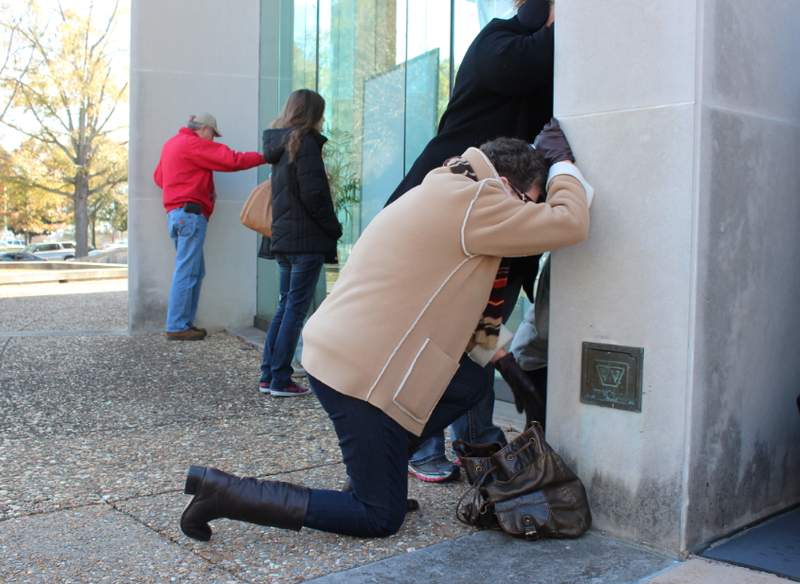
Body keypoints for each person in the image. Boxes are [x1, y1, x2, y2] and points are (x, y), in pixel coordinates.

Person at [179, 125, 594, 541]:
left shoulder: (453, 187)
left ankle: (379, 470)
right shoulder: (477, 200)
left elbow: (454, 307)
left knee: (469, 381)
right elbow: (572, 222)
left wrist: (505, 360)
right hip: (357, 370)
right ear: (506, 184)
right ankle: (222, 493)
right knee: (378, 516)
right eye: (529, 203)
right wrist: (563, 167)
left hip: (351, 350)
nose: (528, 216)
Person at [399, 0, 557, 481]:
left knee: (481, 330)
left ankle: (480, 444)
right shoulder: (499, 40)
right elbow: (523, 62)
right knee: (438, 336)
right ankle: (417, 444)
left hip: (501, 222)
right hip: (449, 219)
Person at [257, 90, 342, 397]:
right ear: (313, 114)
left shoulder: (281, 146)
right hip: (304, 242)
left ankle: (269, 375)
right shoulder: (305, 144)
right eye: (322, 113)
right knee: (294, 310)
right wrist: (335, 229)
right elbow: (314, 196)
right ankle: (280, 379)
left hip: (284, 240)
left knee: (286, 307)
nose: (324, 120)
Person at [155, 113, 267, 341]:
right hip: (190, 214)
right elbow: (232, 159)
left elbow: (159, 178)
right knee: (187, 270)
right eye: (213, 134)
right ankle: (177, 326)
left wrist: (185, 181)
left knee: (194, 269)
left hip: (175, 215)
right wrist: (267, 157)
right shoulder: (193, 143)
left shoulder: (171, 145)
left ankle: (184, 323)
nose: (213, 139)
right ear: (204, 128)